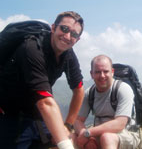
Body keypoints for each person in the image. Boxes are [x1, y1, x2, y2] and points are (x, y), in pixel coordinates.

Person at [0, 11, 85, 149]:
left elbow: (79, 90)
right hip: (10, 113)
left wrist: (67, 126)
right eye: (64, 29)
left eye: (74, 34)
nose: (68, 36)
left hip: (36, 114)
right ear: (53, 28)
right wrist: (65, 145)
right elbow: (45, 103)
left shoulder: (68, 54)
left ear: (77, 39)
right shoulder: (32, 48)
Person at [74, 55, 140, 149]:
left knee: (107, 138)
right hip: (99, 133)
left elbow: (120, 124)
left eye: (106, 71)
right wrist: (85, 136)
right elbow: (78, 120)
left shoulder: (122, 89)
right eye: (97, 72)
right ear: (91, 74)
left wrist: (88, 133)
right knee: (71, 138)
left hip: (126, 134)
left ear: (112, 72)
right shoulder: (90, 93)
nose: (102, 76)